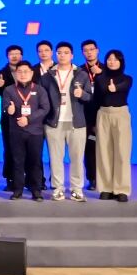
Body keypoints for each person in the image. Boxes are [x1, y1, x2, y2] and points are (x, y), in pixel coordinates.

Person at [43, 41, 93, 202]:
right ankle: (58, 189)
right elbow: (42, 99)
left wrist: (82, 94)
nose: (62, 55)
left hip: (76, 123)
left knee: (77, 158)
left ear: (72, 55)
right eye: (59, 53)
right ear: (56, 55)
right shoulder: (47, 76)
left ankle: (76, 189)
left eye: (65, 53)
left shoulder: (82, 74)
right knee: (55, 158)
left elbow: (90, 97)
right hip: (54, 123)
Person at [3, 62, 50, 201]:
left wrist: (28, 119)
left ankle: (36, 190)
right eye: (20, 72)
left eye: (26, 71)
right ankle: (17, 190)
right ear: (15, 74)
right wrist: (9, 109)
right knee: (17, 161)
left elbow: (45, 108)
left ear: (31, 73)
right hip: (16, 132)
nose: (23, 74)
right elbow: (5, 106)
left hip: (35, 131)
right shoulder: (9, 90)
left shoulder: (40, 90)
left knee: (35, 161)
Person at [94, 50, 133, 202]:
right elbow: (97, 98)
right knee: (104, 152)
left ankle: (121, 189)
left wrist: (114, 88)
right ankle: (106, 188)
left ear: (121, 62)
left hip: (121, 114)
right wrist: (92, 123)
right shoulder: (100, 78)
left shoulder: (127, 79)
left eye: (116, 59)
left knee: (122, 152)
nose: (112, 62)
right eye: (109, 59)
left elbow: (124, 86)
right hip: (103, 114)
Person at [0, 45, 24, 188]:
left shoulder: (29, 71)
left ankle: (32, 179)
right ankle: (10, 179)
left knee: (30, 149)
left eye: (17, 54)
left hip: (29, 118)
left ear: (21, 56)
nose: (15, 56)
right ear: (7, 56)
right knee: (10, 149)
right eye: (12, 54)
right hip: (8, 118)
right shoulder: (0, 74)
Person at [79, 39, 105, 189]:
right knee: (89, 148)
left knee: (106, 148)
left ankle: (107, 178)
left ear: (97, 50)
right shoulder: (79, 71)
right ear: (82, 53)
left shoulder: (106, 69)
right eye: (86, 50)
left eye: (91, 49)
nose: (89, 53)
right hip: (86, 115)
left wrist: (101, 75)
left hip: (104, 113)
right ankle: (93, 179)